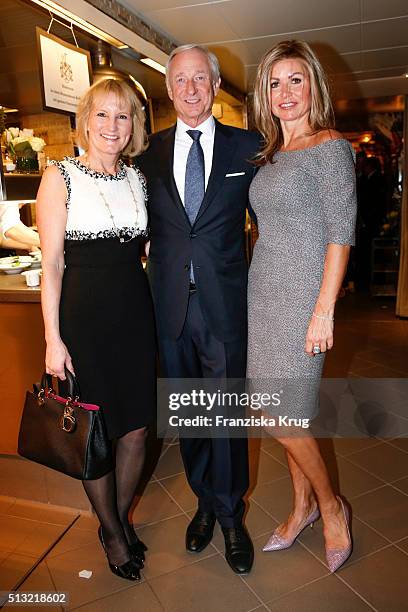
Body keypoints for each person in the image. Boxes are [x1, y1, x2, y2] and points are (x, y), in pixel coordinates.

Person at [137, 44, 260, 575]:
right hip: (169, 310)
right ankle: (204, 503)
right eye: (180, 80)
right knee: (188, 416)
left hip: (224, 308)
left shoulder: (249, 147)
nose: (190, 89)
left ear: (214, 86)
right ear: (169, 90)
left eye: (200, 79)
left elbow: (274, 222)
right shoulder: (145, 156)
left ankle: (231, 516)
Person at [36, 78, 156, 581]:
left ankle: (119, 516)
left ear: (134, 126)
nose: (112, 126)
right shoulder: (58, 175)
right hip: (84, 322)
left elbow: (144, 253)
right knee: (96, 434)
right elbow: (53, 265)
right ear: (85, 121)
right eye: (102, 115)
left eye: (122, 116)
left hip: (135, 315)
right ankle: (111, 531)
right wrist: (52, 339)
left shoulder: (138, 179)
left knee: (137, 428)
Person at [247, 40, 356, 573]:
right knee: (275, 411)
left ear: (314, 85)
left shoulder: (330, 147)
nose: (285, 92)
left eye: (296, 80)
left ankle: (331, 506)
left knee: (281, 412)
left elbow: (341, 236)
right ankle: (301, 508)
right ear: (265, 96)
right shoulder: (270, 155)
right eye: (275, 83)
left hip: (302, 302)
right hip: (263, 295)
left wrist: (323, 310)